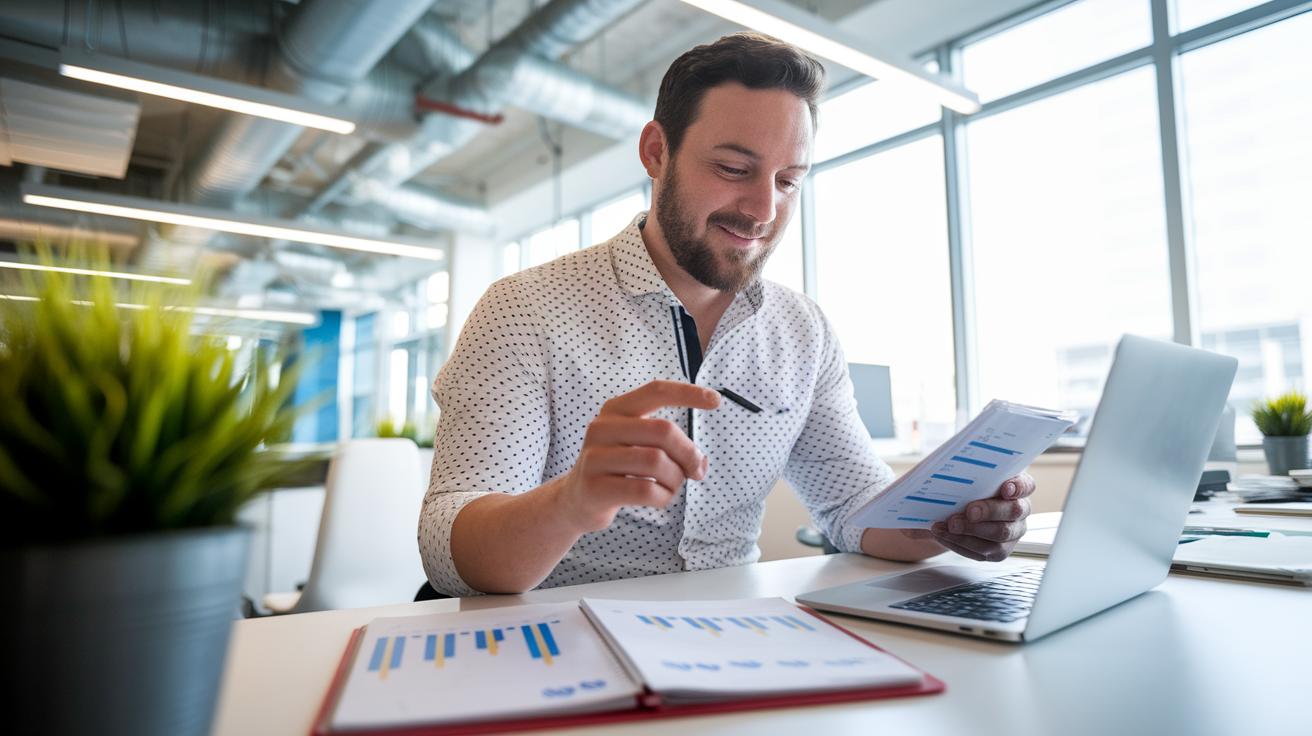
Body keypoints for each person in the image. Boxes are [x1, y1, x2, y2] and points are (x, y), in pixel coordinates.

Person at [418, 32, 1034, 597]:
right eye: (733, 169)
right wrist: (570, 502)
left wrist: (949, 523)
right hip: (553, 639)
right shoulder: (525, 311)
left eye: (789, 181)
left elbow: (855, 511)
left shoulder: (803, 332)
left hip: (728, 641)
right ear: (657, 152)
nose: (763, 209)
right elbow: (449, 553)